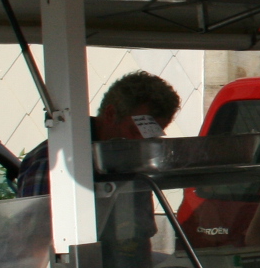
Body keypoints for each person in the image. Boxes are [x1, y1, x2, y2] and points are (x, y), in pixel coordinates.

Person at [14, 69, 181, 195]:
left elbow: (142, 232)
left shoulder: (133, 163)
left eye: (153, 135)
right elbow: (36, 234)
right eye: (137, 131)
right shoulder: (54, 160)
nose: (144, 143)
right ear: (110, 114)